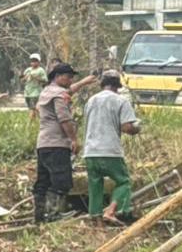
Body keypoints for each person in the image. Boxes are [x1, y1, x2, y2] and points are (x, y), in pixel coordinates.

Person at [82, 70, 141, 224]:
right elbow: (127, 127)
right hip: (110, 150)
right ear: (117, 86)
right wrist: (137, 128)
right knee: (123, 182)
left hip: (90, 151)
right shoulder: (121, 101)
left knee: (95, 185)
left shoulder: (91, 101)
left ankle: (96, 219)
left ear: (102, 84)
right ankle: (111, 211)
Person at [33, 62, 81, 223]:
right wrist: (73, 139)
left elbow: (70, 91)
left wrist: (85, 82)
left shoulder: (46, 92)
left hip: (43, 143)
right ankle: (53, 214)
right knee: (61, 180)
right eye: (68, 77)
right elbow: (64, 118)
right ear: (58, 76)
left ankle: (39, 215)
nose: (71, 81)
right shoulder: (59, 94)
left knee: (43, 181)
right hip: (57, 143)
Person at [22, 53, 47, 119]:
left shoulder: (41, 70)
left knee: (33, 108)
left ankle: (31, 122)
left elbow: (45, 80)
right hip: (27, 92)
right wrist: (25, 78)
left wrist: (36, 77)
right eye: (32, 60)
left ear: (38, 62)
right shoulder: (28, 70)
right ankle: (39, 120)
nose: (33, 62)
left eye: (35, 61)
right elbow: (22, 79)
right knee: (33, 108)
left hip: (36, 92)